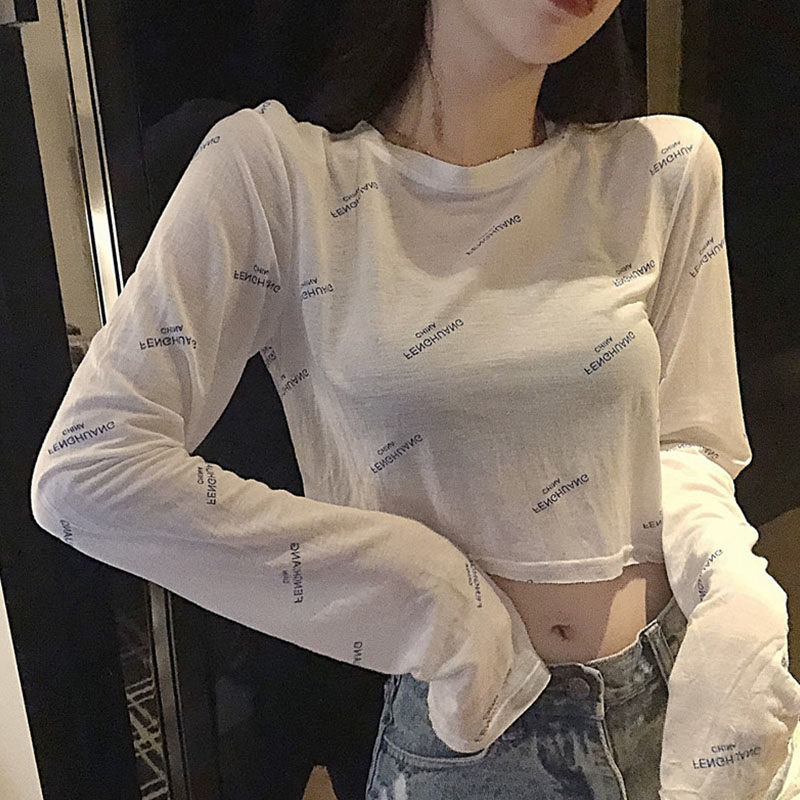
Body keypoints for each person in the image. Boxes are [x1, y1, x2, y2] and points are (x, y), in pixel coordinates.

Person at [29, 1, 800, 798]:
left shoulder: (664, 167)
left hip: (683, 699)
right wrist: (436, 599)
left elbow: (687, 444)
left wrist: (733, 603)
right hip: (479, 735)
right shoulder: (279, 175)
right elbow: (89, 470)